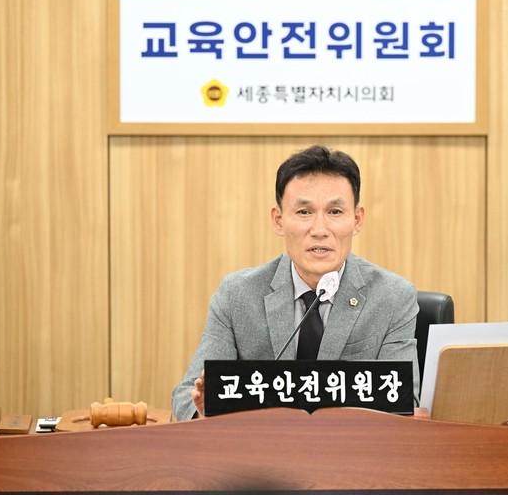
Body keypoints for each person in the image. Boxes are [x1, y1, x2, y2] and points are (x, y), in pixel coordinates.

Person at [171, 145, 419, 421]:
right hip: (261, 447)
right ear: (278, 220)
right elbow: (186, 396)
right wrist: (204, 411)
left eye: (335, 211)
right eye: (303, 212)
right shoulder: (237, 295)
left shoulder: (393, 297)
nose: (319, 230)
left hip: (351, 446)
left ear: (357, 219)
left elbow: (406, 402)